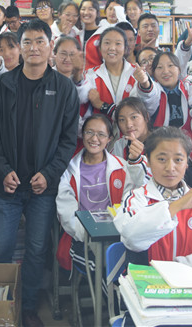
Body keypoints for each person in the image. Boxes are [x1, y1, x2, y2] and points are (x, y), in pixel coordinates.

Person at [0, 19, 79, 327]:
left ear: (51, 46)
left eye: (40, 42)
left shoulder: (64, 88)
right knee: (1, 248)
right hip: (6, 185)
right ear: (20, 48)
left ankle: (29, 307)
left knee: (37, 250)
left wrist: (50, 174)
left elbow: (68, 140)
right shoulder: (3, 85)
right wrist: (1, 169)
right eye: (27, 42)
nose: (33, 48)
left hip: (42, 188)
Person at [114, 126, 192, 268]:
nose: (170, 167)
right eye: (162, 159)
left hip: (190, 279)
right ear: (148, 161)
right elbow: (131, 238)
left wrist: (174, 268)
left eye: (178, 160)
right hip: (146, 280)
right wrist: (177, 205)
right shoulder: (136, 198)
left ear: (186, 163)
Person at [55, 114, 143, 272]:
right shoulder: (69, 170)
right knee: (104, 265)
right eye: (89, 132)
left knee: (123, 262)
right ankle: (110, 286)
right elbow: (66, 212)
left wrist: (115, 232)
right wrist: (90, 236)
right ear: (82, 134)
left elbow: (129, 202)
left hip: (116, 235)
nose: (94, 138)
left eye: (101, 134)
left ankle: (113, 286)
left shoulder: (121, 167)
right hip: (81, 237)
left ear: (109, 138)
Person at [149, 51, 192, 186]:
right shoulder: (153, 91)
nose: (165, 71)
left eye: (170, 66)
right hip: (162, 150)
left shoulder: (191, 87)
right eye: (159, 67)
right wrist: (144, 82)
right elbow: (146, 96)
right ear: (153, 73)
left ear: (179, 69)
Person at [75, 27, 158, 120]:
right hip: (101, 128)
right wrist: (77, 74)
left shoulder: (137, 72)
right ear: (100, 48)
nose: (112, 48)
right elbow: (81, 97)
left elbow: (149, 108)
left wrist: (145, 84)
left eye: (118, 43)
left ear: (125, 48)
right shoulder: (91, 74)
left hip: (131, 128)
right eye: (107, 43)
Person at [112, 98, 154, 179]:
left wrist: (136, 160)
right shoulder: (120, 144)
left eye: (134, 117)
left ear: (146, 117)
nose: (128, 125)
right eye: (122, 120)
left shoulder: (161, 142)